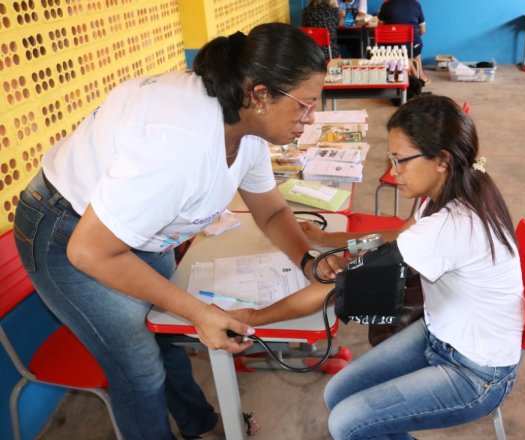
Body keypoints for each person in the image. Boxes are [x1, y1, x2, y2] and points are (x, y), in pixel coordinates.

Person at [12, 23, 342, 440]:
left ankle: (197, 425)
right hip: (69, 231)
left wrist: (307, 259)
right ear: (259, 95)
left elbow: (272, 211)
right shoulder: (179, 144)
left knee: (168, 335)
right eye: (305, 106)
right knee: (139, 369)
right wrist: (201, 312)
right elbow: (90, 251)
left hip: (135, 230)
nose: (310, 121)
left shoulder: (247, 126)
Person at [228, 95, 525, 439]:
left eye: (401, 162)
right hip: (440, 332)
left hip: (477, 372)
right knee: (336, 395)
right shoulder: (451, 189)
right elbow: (400, 234)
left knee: (347, 423)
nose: (394, 174)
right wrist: (328, 239)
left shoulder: (450, 225)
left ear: (442, 160)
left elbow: (333, 289)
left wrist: (252, 319)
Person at [378, 0, 430, 83]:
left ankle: (412, 74)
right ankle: (420, 75)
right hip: (412, 45)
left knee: (403, 49)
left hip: (391, 46)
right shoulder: (416, 4)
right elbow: (423, 30)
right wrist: (412, 39)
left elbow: (380, 28)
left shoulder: (386, 5)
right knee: (415, 48)